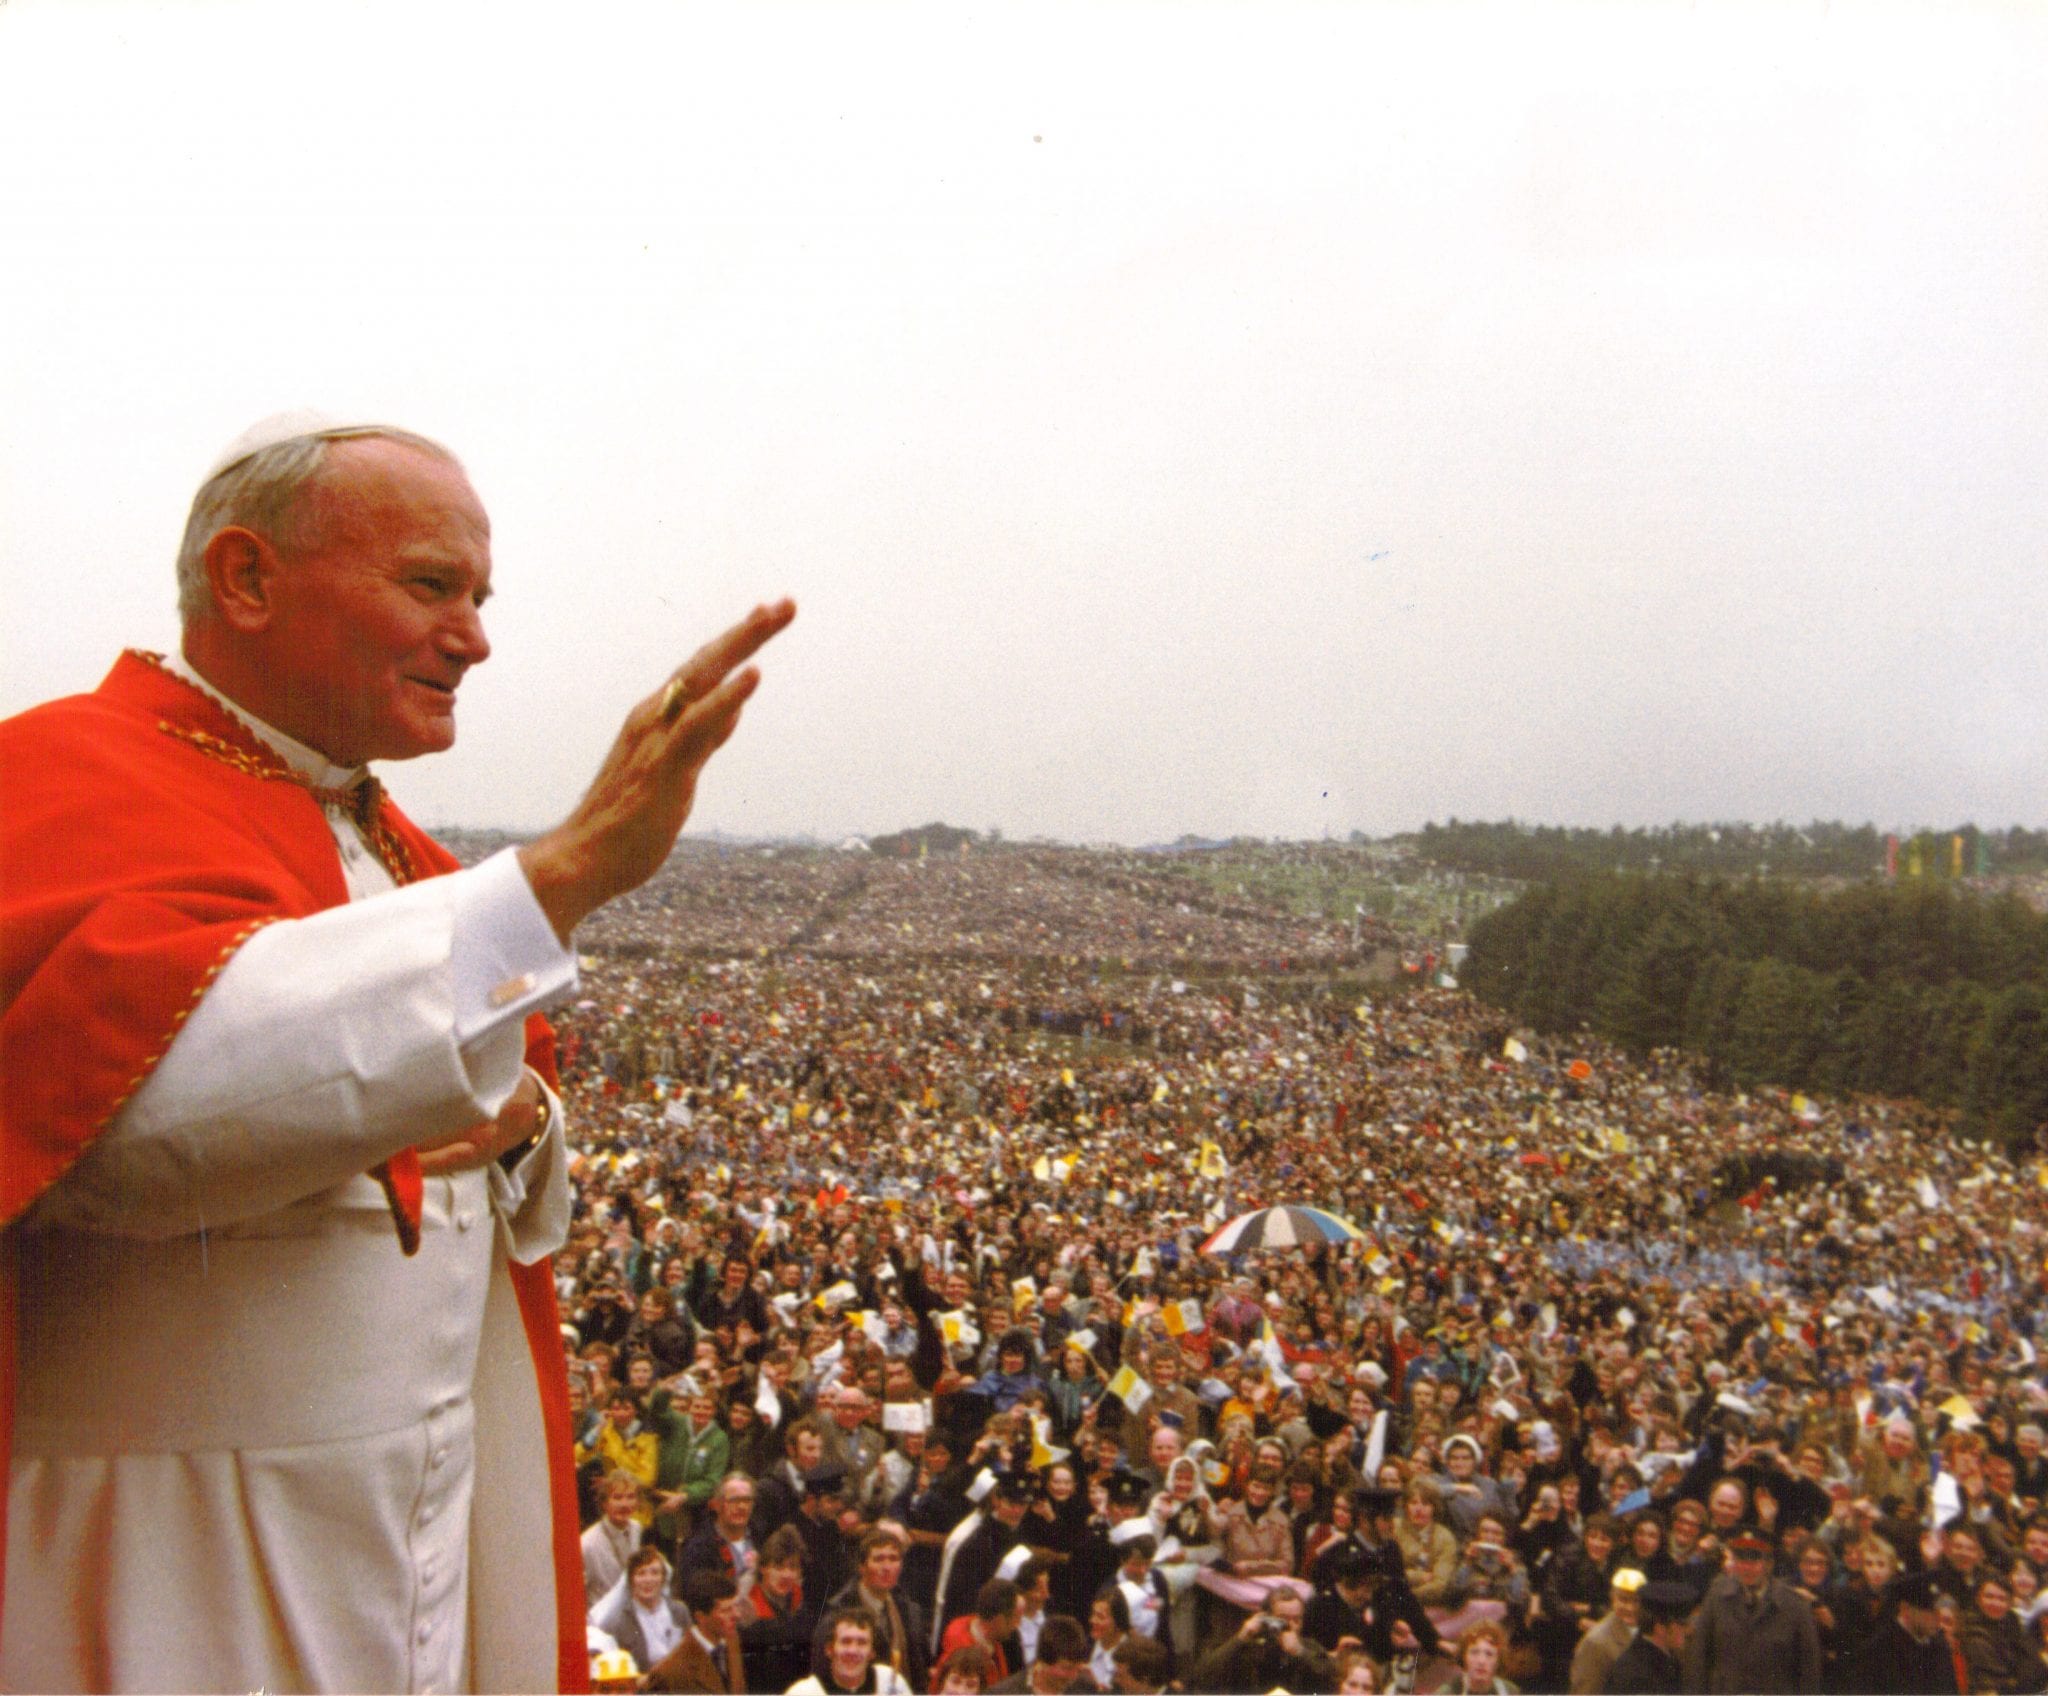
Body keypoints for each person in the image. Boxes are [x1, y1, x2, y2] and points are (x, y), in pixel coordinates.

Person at [0, 412, 795, 1692]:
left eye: (480, 596)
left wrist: (526, 1121)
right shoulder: (51, 780)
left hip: (414, 1532)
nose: (475, 635)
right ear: (247, 579)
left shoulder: (389, 840)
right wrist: (563, 873)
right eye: (431, 585)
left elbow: (490, 1118)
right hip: (163, 1555)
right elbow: (123, 1115)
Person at [1683, 1529, 1823, 1694]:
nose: (1747, 1568)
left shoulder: (1794, 1606)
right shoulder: (1718, 1596)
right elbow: (1699, 1658)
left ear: (1769, 1564)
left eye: (1754, 1561)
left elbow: (1809, 1672)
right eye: (1741, 1560)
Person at [589, 1546, 692, 1685]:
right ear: (631, 1580)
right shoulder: (618, 1623)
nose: (648, 1580)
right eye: (641, 1573)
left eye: (655, 1573)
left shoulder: (680, 1611)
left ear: (663, 1579)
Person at [642, 1567, 745, 1694]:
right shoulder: (671, 1672)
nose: (737, 1615)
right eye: (726, 1610)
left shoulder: (731, 1641)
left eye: (736, 1606)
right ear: (700, 1617)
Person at [789, 1609, 916, 1695]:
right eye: (845, 1641)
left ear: (872, 1652)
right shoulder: (804, 1692)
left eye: (862, 1642)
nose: (853, 1651)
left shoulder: (891, 1682)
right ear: (830, 1650)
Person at [1600, 1580, 1691, 1695]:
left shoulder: (1667, 1659)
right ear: (1660, 1629)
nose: (1688, 1630)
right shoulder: (1636, 1674)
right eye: (1682, 1625)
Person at [987, 1614, 1097, 1693]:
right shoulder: (1004, 1692)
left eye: (1077, 1668)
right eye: (1066, 1668)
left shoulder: (1086, 1689)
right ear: (1043, 1661)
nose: (1073, 1676)